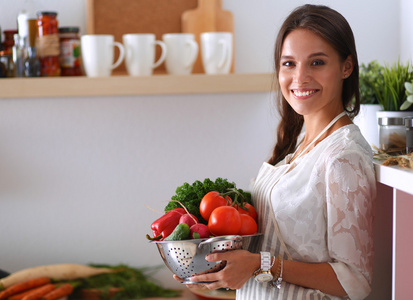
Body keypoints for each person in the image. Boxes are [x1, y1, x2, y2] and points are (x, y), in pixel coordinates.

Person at [174, 4, 376, 299]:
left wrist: (260, 265)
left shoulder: (344, 156)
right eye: (289, 63)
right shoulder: (300, 142)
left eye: (317, 63)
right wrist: (214, 267)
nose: (300, 77)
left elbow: (355, 281)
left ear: (346, 66)